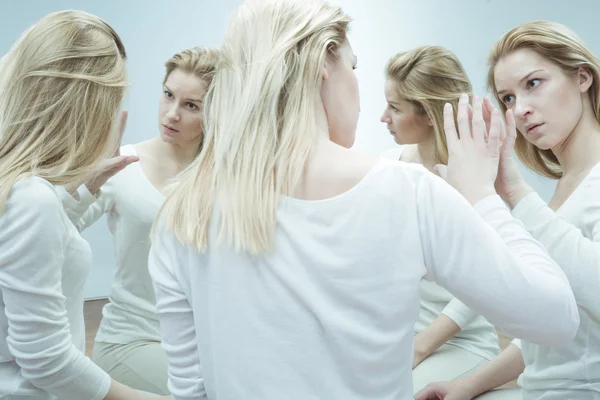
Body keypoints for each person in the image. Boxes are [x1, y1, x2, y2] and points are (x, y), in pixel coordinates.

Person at [147, 1, 579, 399]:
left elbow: (191, 389)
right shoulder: (406, 192)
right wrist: (484, 196)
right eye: (352, 66)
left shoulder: (182, 209)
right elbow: (556, 319)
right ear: (323, 62)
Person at [416, 20, 600, 400]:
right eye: (508, 99)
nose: (519, 110)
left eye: (533, 83)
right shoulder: (567, 188)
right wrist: (466, 385)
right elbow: (550, 330)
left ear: (583, 77)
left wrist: (514, 193)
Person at [0, 10, 167, 400]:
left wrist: (84, 189)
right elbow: (45, 358)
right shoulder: (31, 198)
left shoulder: (20, 190)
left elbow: (28, 253)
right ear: (86, 104)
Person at [58, 46, 219, 395]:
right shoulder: (123, 165)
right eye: (168, 96)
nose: (171, 114)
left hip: (201, 342)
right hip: (131, 340)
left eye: (190, 105)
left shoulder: (221, 174)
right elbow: (54, 232)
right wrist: (85, 183)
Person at [380, 45, 500, 393]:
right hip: (397, 339)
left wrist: (419, 347)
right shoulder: (387, 166)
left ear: (430, 115)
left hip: (459, 344)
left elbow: (484, 285)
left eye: (395, 108)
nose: (383, 117)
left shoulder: (474, 178)